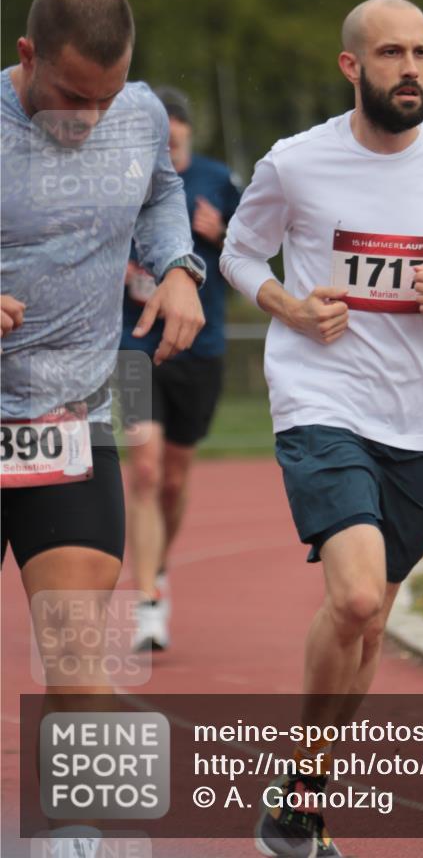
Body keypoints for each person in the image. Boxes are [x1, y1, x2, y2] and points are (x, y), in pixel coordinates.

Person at [221, 0, 423, 858]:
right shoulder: (296, 162)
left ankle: (304, 795)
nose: (409, 69)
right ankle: (304, 780)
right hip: (321, 397)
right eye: (390, 53)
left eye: (420, 53)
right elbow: (238, 252)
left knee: (372, 622)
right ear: (352, 66)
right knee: (349, 595)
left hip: (419, 419)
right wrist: (288, 306)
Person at [0, 0, 205, 857]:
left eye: (106, 97)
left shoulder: (140, 112)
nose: (89, 117)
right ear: (27, 57)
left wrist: (178, 266)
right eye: (71, 96)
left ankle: (70, 843)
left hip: (68, 419)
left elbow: (161, 196)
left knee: (79, 656)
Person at [119, 86, 240, 651]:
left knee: (172, 477)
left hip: (199, 346)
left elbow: (254, 256)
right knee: (143, 469)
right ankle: (145, 602)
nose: (166, 145)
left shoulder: (219, 181)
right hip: (134, 343)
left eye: (174, 136)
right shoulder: (121, 177)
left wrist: (221, 237)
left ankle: (158, 569)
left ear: (188, 134)